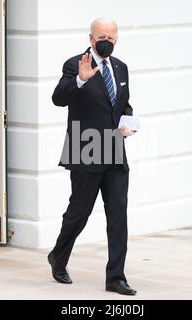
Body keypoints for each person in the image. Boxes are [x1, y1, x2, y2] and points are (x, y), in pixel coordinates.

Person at [48, 17, 137, 295]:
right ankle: (58, 257)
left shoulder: (121, 68)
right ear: (90, 38)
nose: (105, 41)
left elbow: (125, 104)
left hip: (114, 149)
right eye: (101, 36)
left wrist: (128, 124)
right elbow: (58, 98)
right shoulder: (76, 64)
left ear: (116, 40)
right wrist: (79, 79)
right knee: (79, 212)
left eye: (111, 38)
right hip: (86, 148)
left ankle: (116, 278)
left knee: (118, 215)